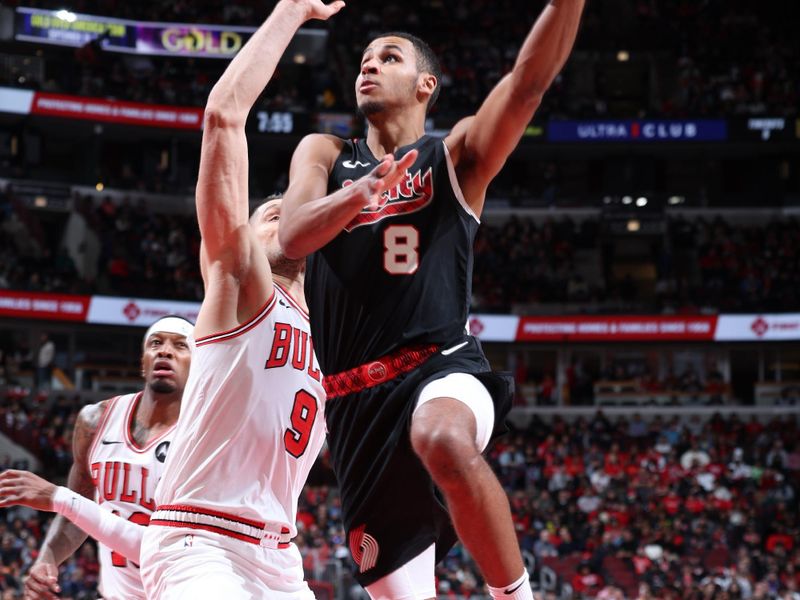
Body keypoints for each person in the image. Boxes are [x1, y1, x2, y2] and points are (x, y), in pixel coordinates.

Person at [279, 3, 585, 598]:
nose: (369, 66)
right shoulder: (323, 153)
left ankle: (516, 595)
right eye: (364, 60)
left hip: (438, 366)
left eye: (388, 57)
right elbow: (293, 237)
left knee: (442, 438)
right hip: (352, 404)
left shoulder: (453, 156)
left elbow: (527, 85)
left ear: (426, 85)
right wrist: (359, 193)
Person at [136, 1, 353, 598]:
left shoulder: (333, 329)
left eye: (294, 215)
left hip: (280, 554)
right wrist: (289, 13)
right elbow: (223, 116)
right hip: (198, 540)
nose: (284, 217)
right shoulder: (240, 281)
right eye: (269, 214)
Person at [0, 316, 193, 600]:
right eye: (156, 343)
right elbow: (77, 512)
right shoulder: (96, 420)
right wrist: (47, 560)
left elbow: (181, 546)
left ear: (198, 366)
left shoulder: (204, 437)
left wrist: (58, 496)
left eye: (180, 345)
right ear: (143, 361)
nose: (165, 351)